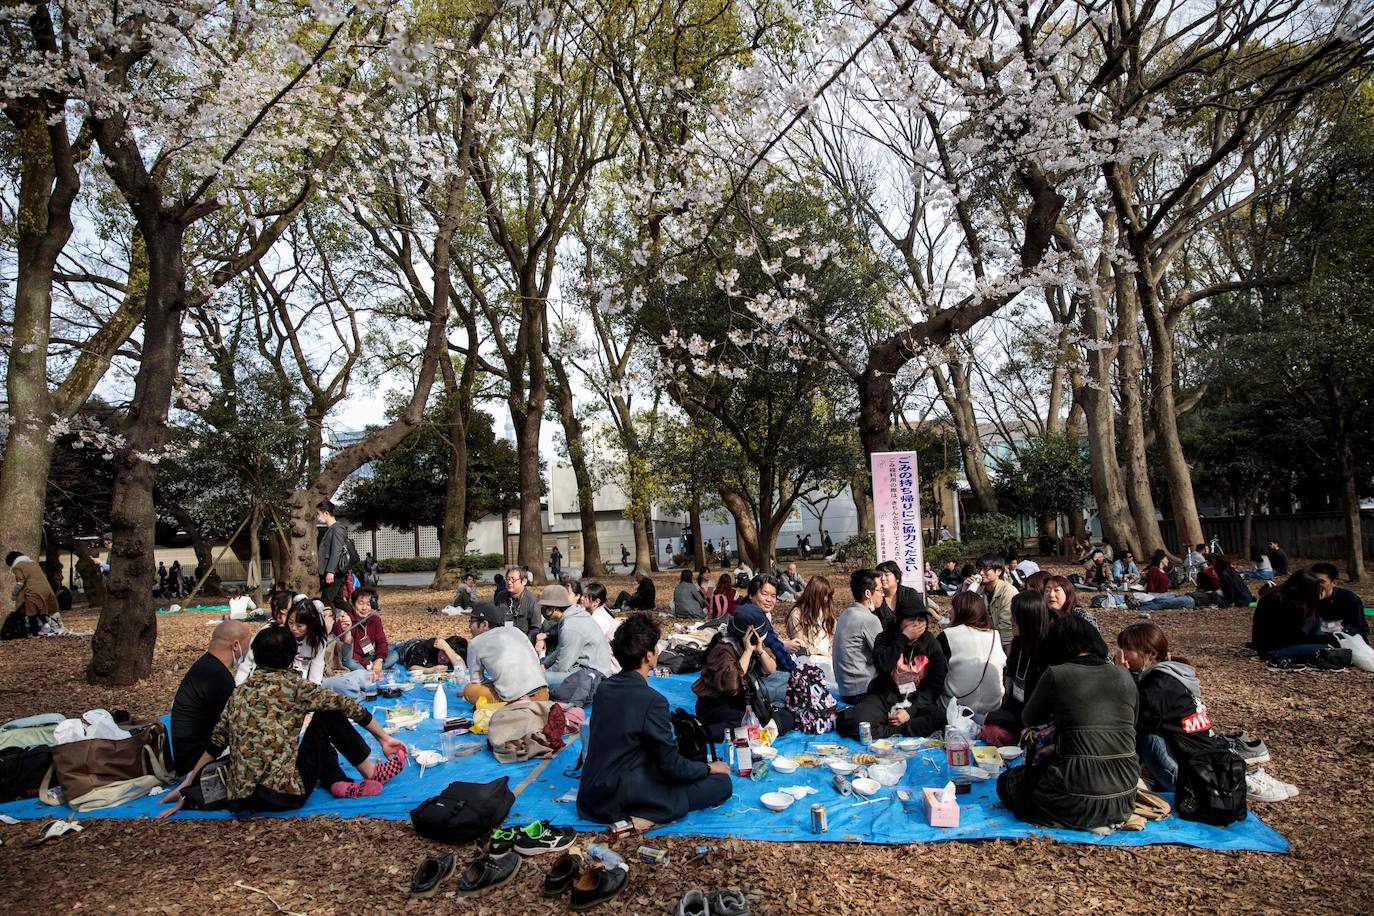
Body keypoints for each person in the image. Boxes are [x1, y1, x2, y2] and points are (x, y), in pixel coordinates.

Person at [162, 626, 408, 814]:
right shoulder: (295, 687)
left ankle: (338, 781)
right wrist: (384, 737)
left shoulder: (240, 692)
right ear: (292, 658)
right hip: (285, 796)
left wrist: (188, 786)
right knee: (328, 713)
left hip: (242, 800)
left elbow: (215, 745)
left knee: (316, 732)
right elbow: (349, 708)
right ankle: (370, 771)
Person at [577, 613, 732, 825]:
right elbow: (672, 767)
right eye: (656, 647)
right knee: (721, 784)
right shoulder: (652, 701)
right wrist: (709, 768)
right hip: (623, 795)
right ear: (648, 655)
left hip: (592, 793)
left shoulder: (604, 689)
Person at [995, 615, 1139, 832]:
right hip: (1124, 796)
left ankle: (1080, 819)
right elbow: (1131, 723)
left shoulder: (1057, 674)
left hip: (1076, 794)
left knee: (1007, 782)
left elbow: (1030, 719)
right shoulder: (1124, 675)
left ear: (1056, 645)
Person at [1117, 622, 1219, 792]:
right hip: (1206, 767)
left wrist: (1121, 675)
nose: (1122, 654)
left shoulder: (1159, 686)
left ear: (1151, 654)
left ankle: (1132, 778)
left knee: (1146, 736)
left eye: (1128, 648)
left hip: (1188, 778)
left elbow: (1128, 718)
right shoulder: (1171, 676)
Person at [836, 600, 947, 740]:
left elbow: (935, 685)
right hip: (886, 697)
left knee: (938, 717)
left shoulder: (931, 644)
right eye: (911, 619)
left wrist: (910, 712)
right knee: (850, 723)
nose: (916, 625)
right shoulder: (884, 638)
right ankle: (894, 730)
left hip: (915, 700)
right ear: (899, 620)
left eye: (921, 620)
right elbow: (883, 665)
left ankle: (892, 730)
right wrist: (903, 638)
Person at [692, 605, 795, 739]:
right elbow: (731, 685)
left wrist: (760, 651)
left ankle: (761, 732)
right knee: (744, 726)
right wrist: (747, 652)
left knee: (786, 717)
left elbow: (771, 669)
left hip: (742, 703)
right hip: (716, 705)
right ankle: (697, 733)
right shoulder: (723, 649)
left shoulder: (756, 645)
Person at [169, 620, 251, 774]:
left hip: (187, 757)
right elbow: (235, 728)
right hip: (197, 766)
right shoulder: (217, 677)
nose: (248, 650)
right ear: (235, 645)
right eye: (248, 643)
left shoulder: (206, 666)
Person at [982, 592, 1052, 747]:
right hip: (1016, 706)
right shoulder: (1018, 643)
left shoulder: (1047, 650)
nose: (1011, 621)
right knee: (988, 721)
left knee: (995, 731)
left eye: (1016, 617)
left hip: (1036, 715)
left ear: (1030, 619)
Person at [464, 602, 549, 704]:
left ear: (484, 624)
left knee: (469, 690)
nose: (469, 626)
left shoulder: (475, 643)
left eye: (471, 622)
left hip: (513, 699)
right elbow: (536, 660)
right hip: (543, 694)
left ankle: (507, 705)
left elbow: (477, 681)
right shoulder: (516, 631)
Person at [938, 591, 1006, 716]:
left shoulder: (948, 635)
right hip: (993, 708)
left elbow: (937, 674)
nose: (949, 610)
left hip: (955, 708)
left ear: (961, 611)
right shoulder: (994, 634)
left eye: (953, 607)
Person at [538, 585, 615, 690]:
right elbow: (561, 649)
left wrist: (544, 672)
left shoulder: (571, 626)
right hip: (582, 668)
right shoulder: (570, 617)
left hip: (594, 675)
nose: (542, 610)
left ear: (553, 608)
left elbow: (562, 665)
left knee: (540, 679)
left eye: (544, 607)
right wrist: (544, 664)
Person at [1251, 569, 1335, 664]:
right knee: (1328, 650)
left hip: (1271, 644)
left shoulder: (1277, 594)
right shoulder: (1288, 603)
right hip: (1274, 649)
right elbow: (1296, 635)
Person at [833, 569, 884, 704]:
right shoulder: (869, 619)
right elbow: (884, 658)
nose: (883, 594)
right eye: (880, 590)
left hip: (845, 689)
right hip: (862, 691)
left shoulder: (846, 613)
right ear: (868, 593)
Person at [335, 588, 398, 675]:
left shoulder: (375, 619)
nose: (364, 608)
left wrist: (379, 660)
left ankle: (369, 671)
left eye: (368, 604)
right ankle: (370, 672)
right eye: (360, 603)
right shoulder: (345, 621)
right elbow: (344, 651)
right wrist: (366, 664)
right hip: (353, 659)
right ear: (353, 604)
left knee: (394, 655)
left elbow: (381, 641)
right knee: (350, 663)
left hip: (368, 656)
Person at [3, 552, 58, 639]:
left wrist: (14, 594)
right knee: (41, 610)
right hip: (46, 589)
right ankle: (47, 627)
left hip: (33, 591)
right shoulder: (33, 563)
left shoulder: (17, 566)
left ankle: (35, 634)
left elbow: (20, 582)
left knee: (31, 613)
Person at [1311, 562, 1369, 643]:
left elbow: (1360, 628)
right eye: (1313, 581)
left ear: (1334, 583)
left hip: (1344, 640)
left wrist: (1342, 629)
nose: (1316, 585)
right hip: (1314, 640)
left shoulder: (1349, 599)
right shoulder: (1304, 599)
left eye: (1321, 582)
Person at [782, 575, 837, 659]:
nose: (826, 599)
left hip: (830, 658)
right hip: (808, 660)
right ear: (814, 595)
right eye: (823, 596)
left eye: (828, 596)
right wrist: (821, 654)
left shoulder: (828, 612)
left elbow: (834, 638)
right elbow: (801, 646)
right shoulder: (797, 614)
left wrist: (831, 654)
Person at [972, 553, 1017, 648]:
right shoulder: (978, 590)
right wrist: (966, 591)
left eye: (985, 569)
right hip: (982, 638)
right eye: (979, 569)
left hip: (1001, 642)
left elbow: (1006, 628)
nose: (981, 573)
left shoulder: (1008, 591)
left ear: (998, 571)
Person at [1128, 553, 1196, 612]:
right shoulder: (1154, 569)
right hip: (1155, 595)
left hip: (1164, 594)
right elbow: (1151, 584)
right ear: (1161, 559)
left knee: (1179, 597)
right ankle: (1141, 606)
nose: (1168, 560)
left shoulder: (1163, 571)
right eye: (1166, 558)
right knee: (1166, 601)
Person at [316, 501, 352, 608]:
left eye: (318, 514)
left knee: (325, 603)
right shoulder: (332, 529)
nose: (318, 517)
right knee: (338, 602)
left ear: (326, 513)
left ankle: (358, 620)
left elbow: (336, 550)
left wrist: (330, 571)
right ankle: (357, 620)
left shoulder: (337, 529)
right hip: (335, 573)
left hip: (335, 573)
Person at [875, 559, 922, 631]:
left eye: (887, 575)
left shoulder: (909, 593)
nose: (883, 578)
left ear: (897, 578)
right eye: (880, 575)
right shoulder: (876, 597)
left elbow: (919, 618)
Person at [501, 566, 541, 639]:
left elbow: (535, 628)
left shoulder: (531, 601)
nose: (509, 582)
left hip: (523, 642)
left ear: (524, 581)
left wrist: (525, 644)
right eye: (507, 579)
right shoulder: (500, 597)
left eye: (513, 580)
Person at [394, 635, 468, 673]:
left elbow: (463, 669)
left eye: (447, 655)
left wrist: (447, 649)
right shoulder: (427, 647)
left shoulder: (455, 656)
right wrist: (431, 670)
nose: (442, 657)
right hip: (406, 649)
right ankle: (397, 645)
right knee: (387, 661)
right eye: (442, 651)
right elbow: (412, 668)